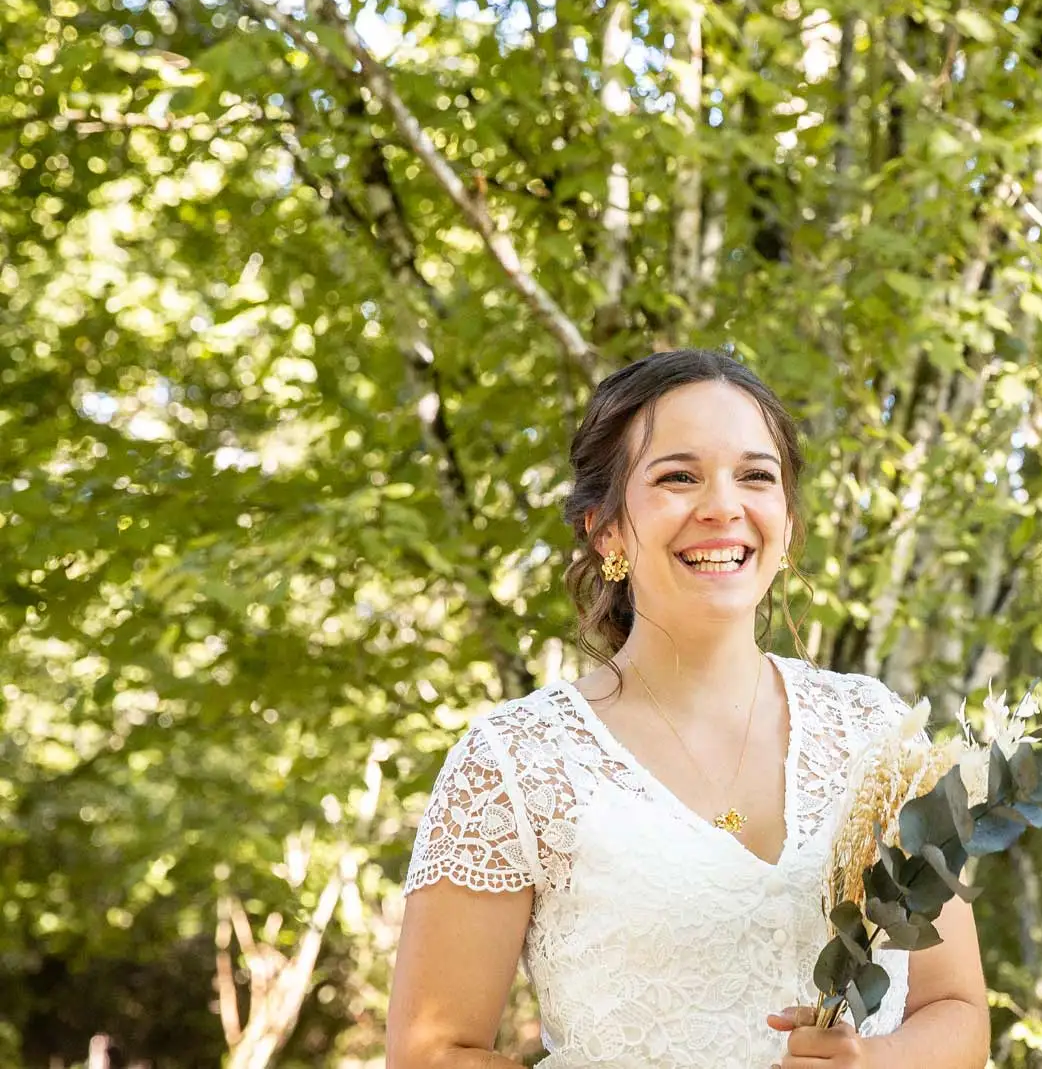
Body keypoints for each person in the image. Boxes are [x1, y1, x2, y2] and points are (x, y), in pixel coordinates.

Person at [386, 349, 989, 1069]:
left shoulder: (877, 732)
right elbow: (432, 1051)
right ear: (604, 528)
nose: (722, 506)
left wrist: (872, 1063)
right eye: (678, 476)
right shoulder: (517, 762)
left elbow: (955, 1011)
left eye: (756, 476)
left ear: (788, 525)